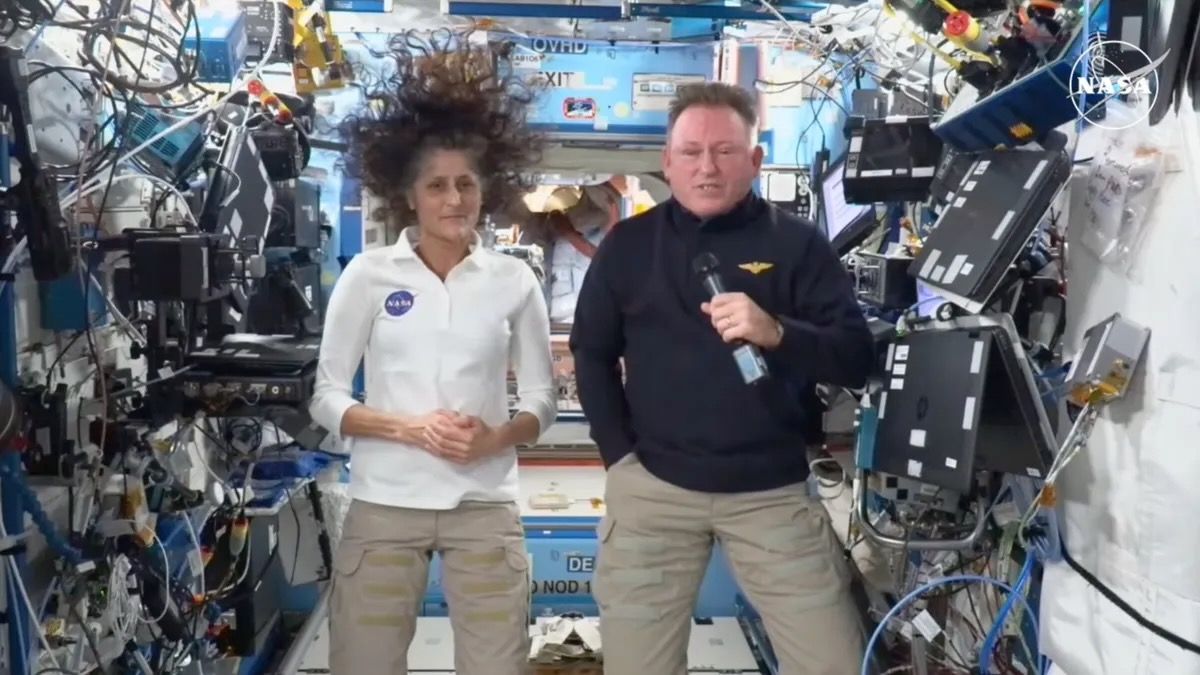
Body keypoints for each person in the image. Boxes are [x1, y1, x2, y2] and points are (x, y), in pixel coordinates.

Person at [570, 82, 873, 675]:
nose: (706, 167)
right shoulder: (629, 246)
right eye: (690, 152)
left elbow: (857, 357)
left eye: (725, 151)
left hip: (772, 495)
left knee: (832, 662)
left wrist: (777, 332)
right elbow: (591, 355)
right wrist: (619, 460)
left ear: (755, 160)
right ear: (667, 161)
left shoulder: (798, 245)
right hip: (654, 492)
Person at [308, 32, 556, 675]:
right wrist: (407, 427)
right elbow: (327, 397)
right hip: (385, 503)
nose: (454, 201)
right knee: (363, 663)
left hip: (484, 505)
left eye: (466, 185)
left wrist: (494, 440)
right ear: (409, 196)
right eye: (438, 186)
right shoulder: (368, 275)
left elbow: (541, 401)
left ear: (486, 191)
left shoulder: (513, 280)